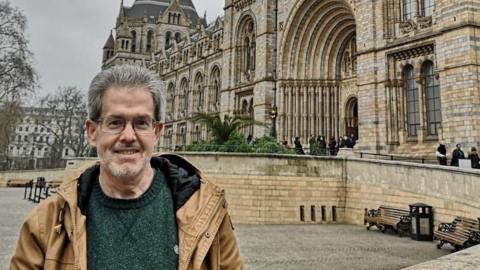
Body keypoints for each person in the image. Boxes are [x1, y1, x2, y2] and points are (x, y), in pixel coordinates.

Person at [10, 65, 244, 270]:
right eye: (115, 123)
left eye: (141, 123)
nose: (128, 136)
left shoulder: (209, 213)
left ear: (157, 132)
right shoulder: (45, 223)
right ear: (92, 132)